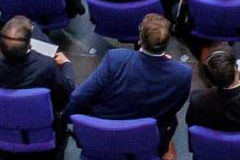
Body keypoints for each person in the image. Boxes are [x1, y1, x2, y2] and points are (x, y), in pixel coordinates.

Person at [67, 12, 194, 143]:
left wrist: (68, 118)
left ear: (140, 40)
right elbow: (173, 108)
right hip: (146, 136)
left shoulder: (116, 59)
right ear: (167, 43)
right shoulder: (183, 73)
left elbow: (80, 96)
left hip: (104, 131)